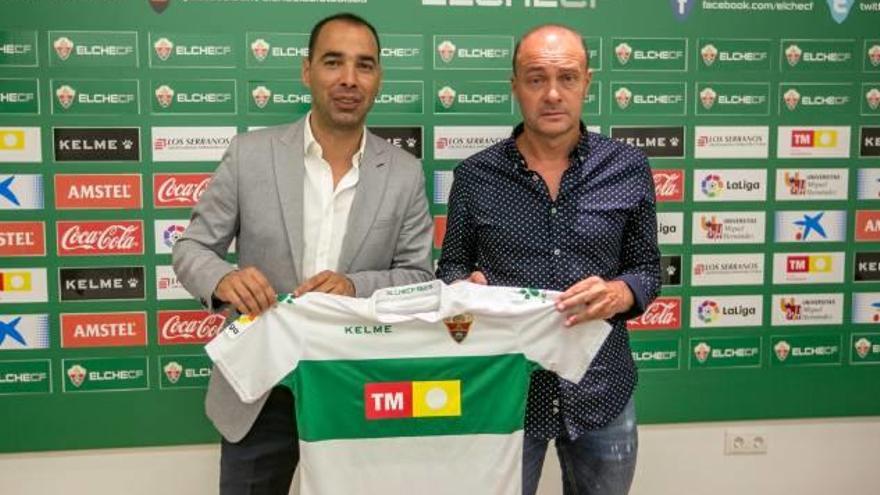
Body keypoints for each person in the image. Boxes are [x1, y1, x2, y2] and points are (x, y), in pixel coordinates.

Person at [172, 12, 433, 495]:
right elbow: (191, 248)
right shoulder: (250, 154)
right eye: (333, 62)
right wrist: (222, 280)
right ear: (306, 70)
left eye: (364, 65)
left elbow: (419, 276)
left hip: (358, 384)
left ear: (379, 79)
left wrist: (356, 287)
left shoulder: (403, 172)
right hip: (260, 388)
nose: (349, 79)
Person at [436, 24, 661, 495]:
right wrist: (464, 289)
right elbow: (451, 268)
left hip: (602, 390)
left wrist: (621, 292)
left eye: (568, 77)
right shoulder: (475, 176)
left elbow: (647, 270)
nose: (553, 94)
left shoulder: (628, 167)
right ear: (514, 85)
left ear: (587, 83)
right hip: (508, 393)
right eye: (536, 78)